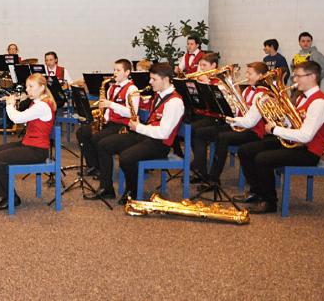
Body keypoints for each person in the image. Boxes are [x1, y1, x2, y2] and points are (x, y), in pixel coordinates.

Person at [235, 61, 324, 213]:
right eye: (294, 76)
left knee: (262, 159)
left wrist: (275, 129)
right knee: (246, 150)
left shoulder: (319, 102)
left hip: (309, 151)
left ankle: (269, 202)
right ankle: (257, 192)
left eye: (298, 76)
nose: (295, 80)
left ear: (312, 76)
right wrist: (280, 116)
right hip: (294, 143)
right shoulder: (301, 98)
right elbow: (293, 123)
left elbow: (306, 135)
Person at [96, 63, 185, 204]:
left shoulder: (174, 102)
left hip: (159, 145)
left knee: (126, 157)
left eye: (154, 79)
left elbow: (163, 133)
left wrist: (139, 127)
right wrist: (139, 124)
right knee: (104, 144)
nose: (150, 82)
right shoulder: (159, 95)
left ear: (166, 79)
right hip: (146, 137)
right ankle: (106, 188)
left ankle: (133, 192)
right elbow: (154, 122)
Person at [0, 73, 56, 210]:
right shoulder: (36, 102)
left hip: (37, 150)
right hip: (28, 144)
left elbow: (17, 119)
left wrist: (9, 104)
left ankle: (12, 197)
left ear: (42, 87)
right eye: (27, 87)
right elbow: (25, 118)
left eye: (31, 87)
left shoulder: (42, 105)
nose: (27, 90)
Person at [81, 59, 139, 199]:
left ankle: (106, 185)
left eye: (118, 70)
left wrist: (111, 104)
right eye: (114, 70)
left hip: (124, 125)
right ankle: (95, 167)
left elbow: (132, 113)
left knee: (98, 140)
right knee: (82, 132)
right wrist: (103, 117)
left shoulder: (132, 89)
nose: (114, 73)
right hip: (111, 122)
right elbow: (107, 109)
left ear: (127, 72)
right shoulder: (112, 87)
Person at [209, 62, 270, 186]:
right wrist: (232, 99)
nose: (247, 76)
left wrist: (229, 119)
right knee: (217, 132)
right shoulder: (248, 90)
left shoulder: (263, 93)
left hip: (255, 132)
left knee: (223, 137)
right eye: (247, 72)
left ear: (261, 76)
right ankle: (212, 176)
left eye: (250, 73)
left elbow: (250, 122)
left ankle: (213, 178)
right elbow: (239, 112)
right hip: (243, 125)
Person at [188, 52, 230, 182]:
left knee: (195, 131)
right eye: (200, 65)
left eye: (204, 65)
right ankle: (199, 165)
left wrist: (208, 85)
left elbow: (223, 105)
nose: (201, 69)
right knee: (187, 127)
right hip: (205, 115)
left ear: (214, 66)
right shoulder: (204, 79)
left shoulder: (220, 82)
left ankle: (200, 169)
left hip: (218, 118)